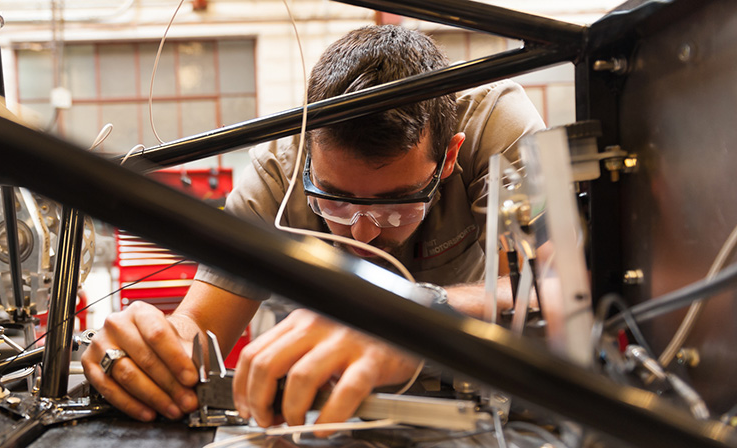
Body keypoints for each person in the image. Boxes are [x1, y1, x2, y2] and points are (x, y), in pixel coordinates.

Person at [82, 24, 545, 429]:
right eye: (336, 203)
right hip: (327, 417)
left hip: (475, 400)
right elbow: (200, 330)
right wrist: (149, 350)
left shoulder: (495, 125)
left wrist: (412, 317)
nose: (363, 233)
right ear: (307, 152)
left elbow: (557, 284)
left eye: (396, 206)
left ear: (447, 158)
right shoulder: (274, 175)